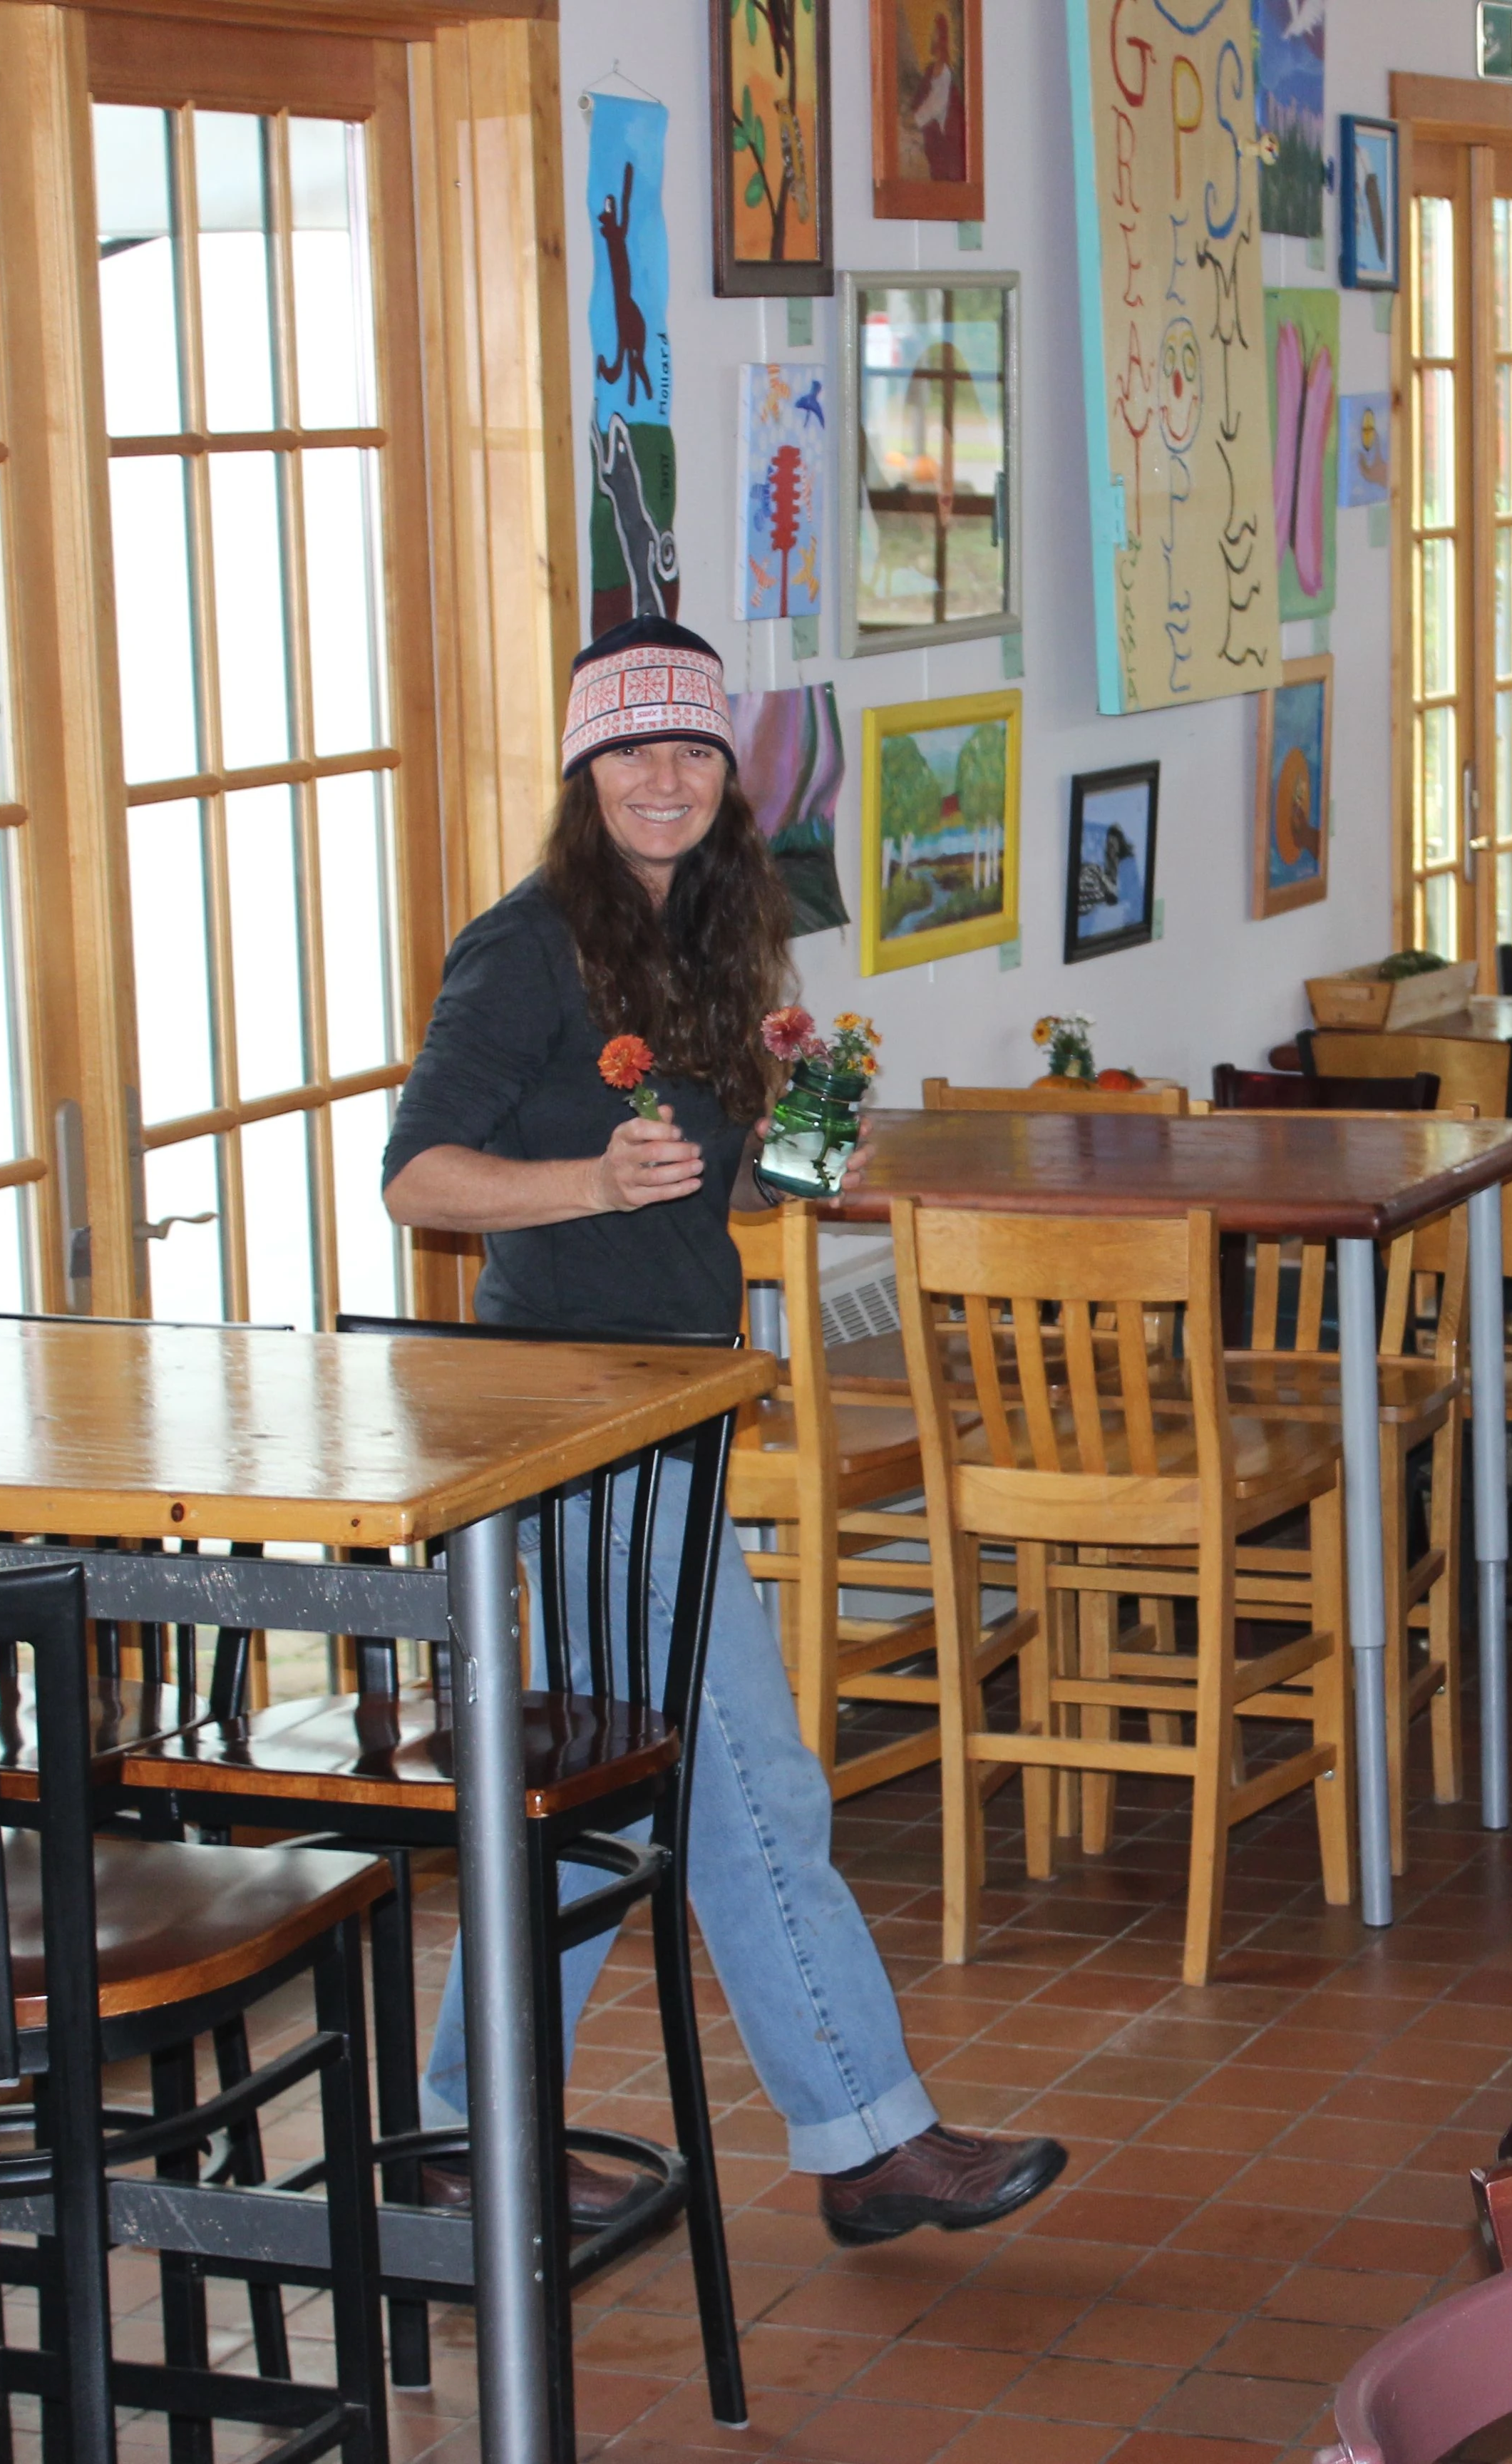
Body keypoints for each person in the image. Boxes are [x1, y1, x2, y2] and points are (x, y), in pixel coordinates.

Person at [382, 615, 1065, 2247]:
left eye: (691, 749)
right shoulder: (524, 945)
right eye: (631, 751)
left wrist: (821, 1108)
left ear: (727, 778)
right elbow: (419, 1174)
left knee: (610, 1794)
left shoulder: (715, 940)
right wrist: (578, 1185)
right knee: (750, 1773)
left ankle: (471, 2129)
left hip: (680, 1392)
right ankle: (865, 2134)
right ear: (583, 770)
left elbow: (759, 1186)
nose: (664, 778)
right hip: (573, 1409)